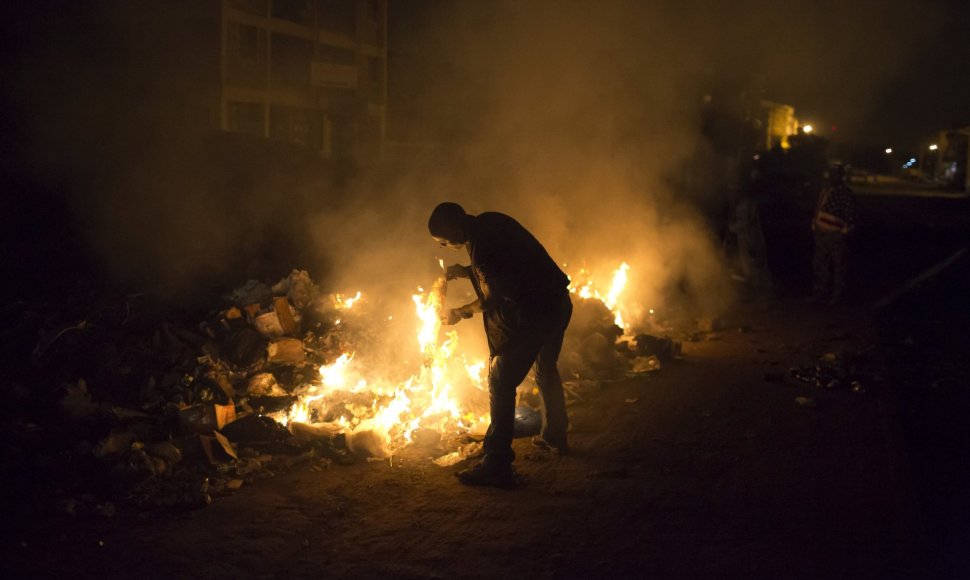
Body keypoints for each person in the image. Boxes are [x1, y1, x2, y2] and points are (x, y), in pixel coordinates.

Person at [428, 202, 572, 488]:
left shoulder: (480, 249)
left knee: (500, 380)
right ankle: (555, 435)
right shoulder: (491, 221)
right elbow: (510, 265)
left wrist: (460, 312)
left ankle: (496, 463)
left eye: (444, 241)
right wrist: (467, 271)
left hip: (535, 314)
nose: (445, 247)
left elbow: (492, 296)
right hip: (557, 303)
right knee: (545, 368)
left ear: (456, 230)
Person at [809, 164, 857, 305]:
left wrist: (844, 231)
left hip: (835, 235)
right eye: (830, 174)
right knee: (819, 265)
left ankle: (837, 297)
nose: (831, 176)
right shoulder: (826, 190)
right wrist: (815, 225)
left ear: (841, 176)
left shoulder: (845, 193)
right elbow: (819, 207)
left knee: (839, 267)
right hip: (821, 233)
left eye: (835, 174)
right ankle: (820, 294)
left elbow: (851, 214)